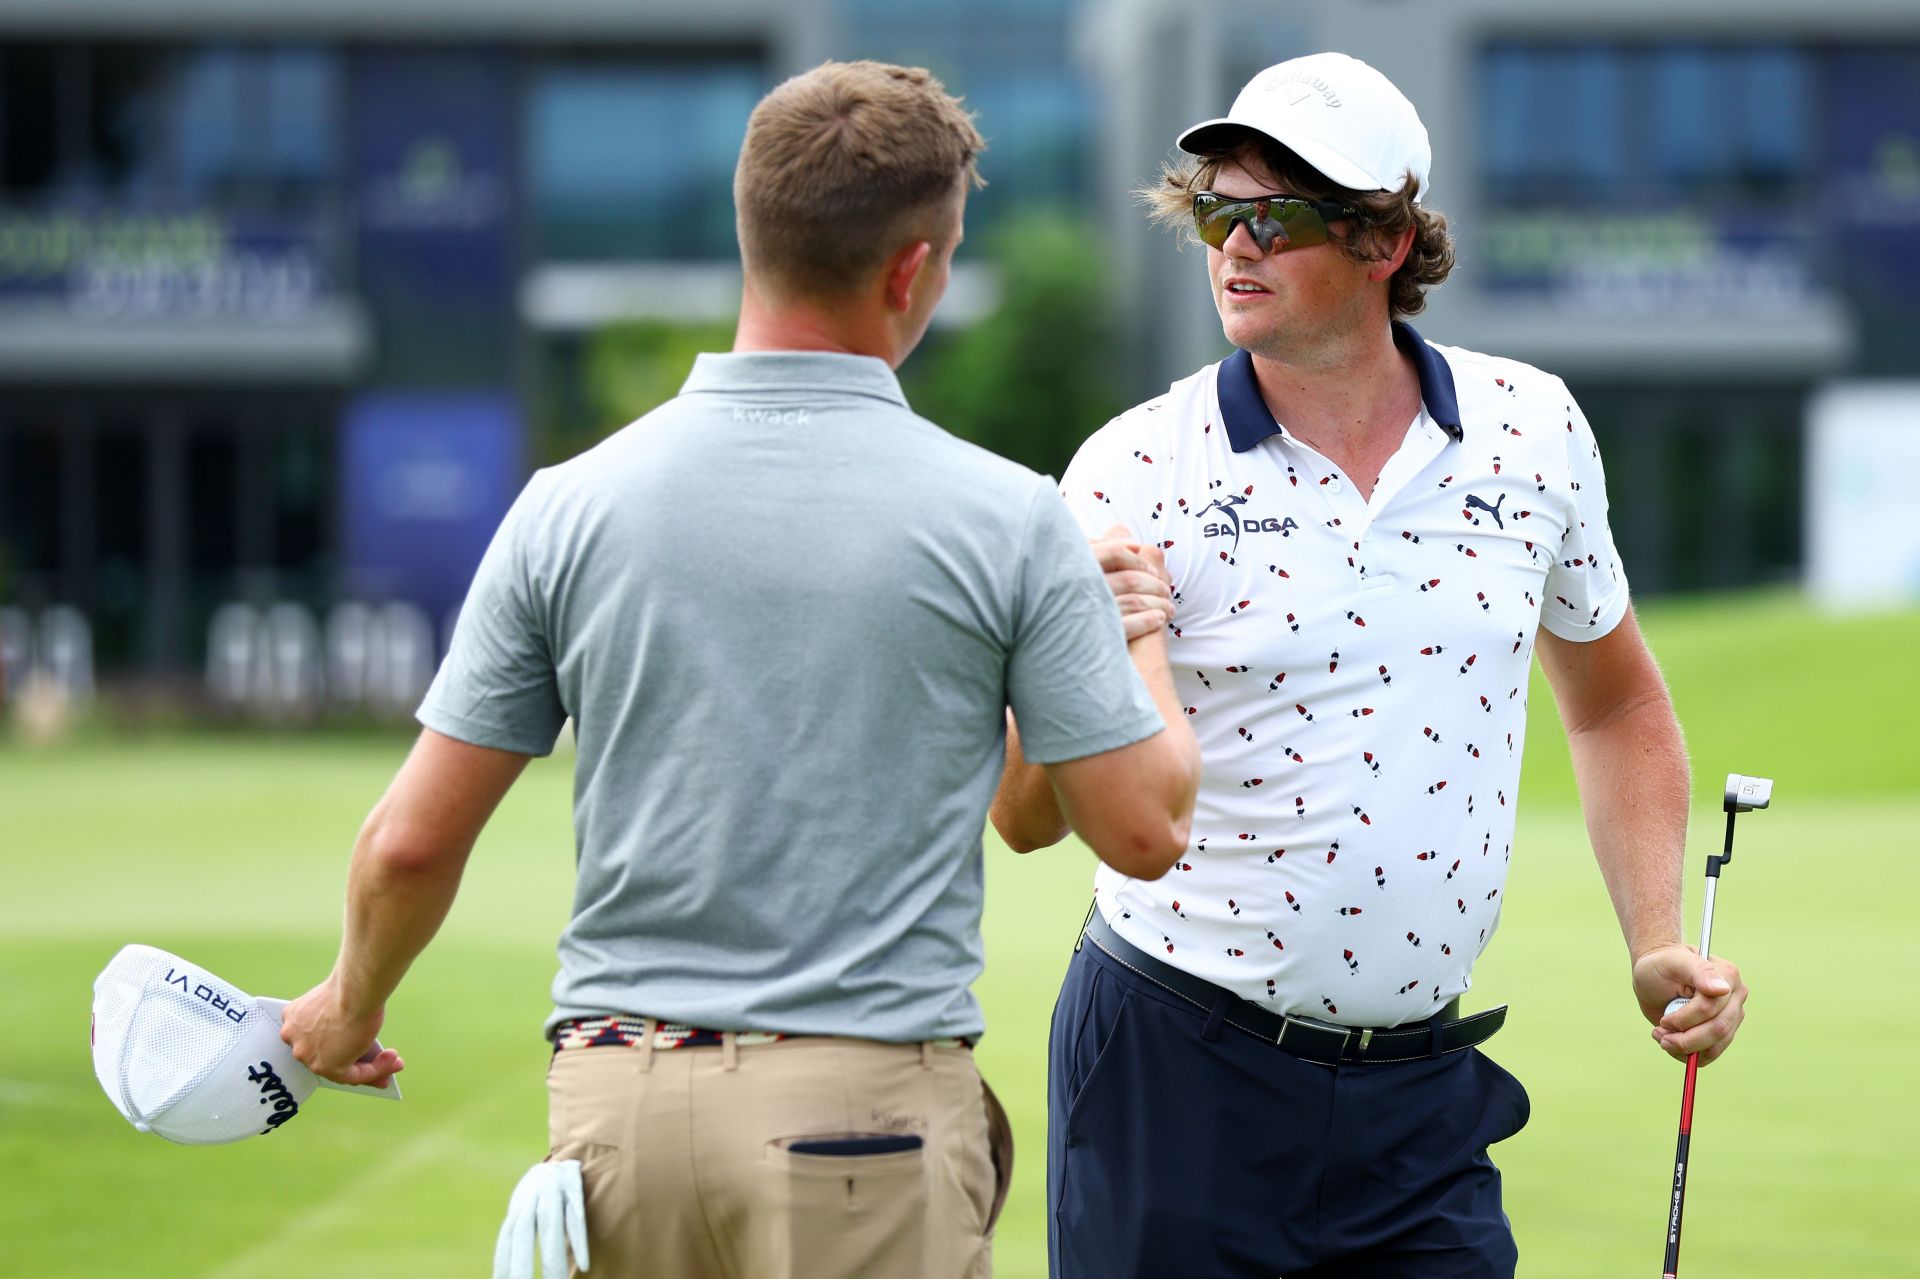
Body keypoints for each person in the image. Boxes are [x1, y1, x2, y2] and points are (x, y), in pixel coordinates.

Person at [279, 59, 1200, 1279]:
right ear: (911, 269)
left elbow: (407, 843)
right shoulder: (1008, 517)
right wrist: (1134, 623)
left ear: (750, 229)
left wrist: (346, 1005)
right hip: (862, 1123)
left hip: (612, 1124)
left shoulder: (566, 506)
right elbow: (1139, 831)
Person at [990, 51, 1750, 1278]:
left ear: (1384, 238)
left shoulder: (1533, 431)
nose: (1236, 248)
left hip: (1420, 1102)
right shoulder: (1133, 467)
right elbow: (1022, 815)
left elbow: (1613, 702)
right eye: (1216, 214)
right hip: (1174, 1072)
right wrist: (1100, 639)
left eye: (1276, 219)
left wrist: (1654, 936)